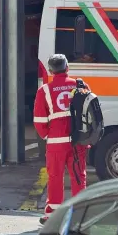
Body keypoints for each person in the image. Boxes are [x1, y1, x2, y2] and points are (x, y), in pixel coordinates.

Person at [33, 54, 88, 225]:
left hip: (56, 142)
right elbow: (90, 113)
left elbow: (40, 121)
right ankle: (79, 214)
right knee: (78, 176)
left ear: (50, 71)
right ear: (67, 68)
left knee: (55, 177)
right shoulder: (81, 86)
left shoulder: (44, 90)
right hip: (78, 140)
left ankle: (53, 214)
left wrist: (48, 136)